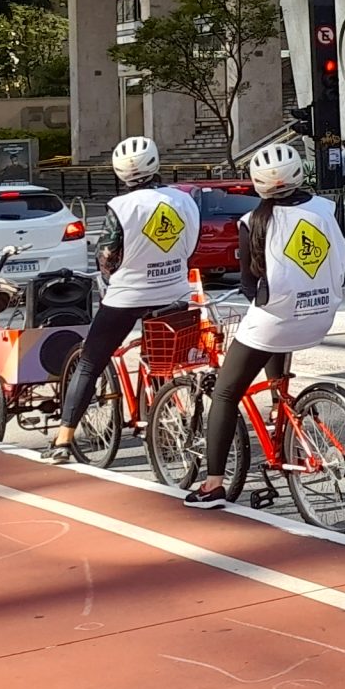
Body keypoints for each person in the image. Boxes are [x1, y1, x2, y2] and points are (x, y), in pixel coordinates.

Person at [183, 141, 345, 508]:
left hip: (279, 320)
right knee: (277, 342)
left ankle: (212, 484)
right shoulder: (326, 208)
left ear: (257, 183)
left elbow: (248, 284)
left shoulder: (253, 221)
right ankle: (280, 409)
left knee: (226, 392)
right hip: (322, 313)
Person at [47, 136, 199, 463]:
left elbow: (107, 256)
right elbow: (191, 245)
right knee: (165, 362)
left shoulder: (122, 206)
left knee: (90, 362)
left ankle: (63, 439)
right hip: (174, 290)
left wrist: (109, 277)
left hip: (127, 295)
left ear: (119, 173)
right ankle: (165, 425)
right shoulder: (184, 200)